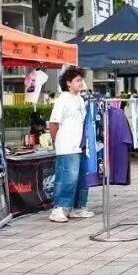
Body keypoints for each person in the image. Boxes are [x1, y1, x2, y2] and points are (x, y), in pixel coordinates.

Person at [47, 67, 94, 223]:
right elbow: (54, 123)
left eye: (81, 80)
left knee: (81, 179)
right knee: (67, 178)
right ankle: (59, 209)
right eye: (78, 80)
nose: (81, 83)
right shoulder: (63, 99)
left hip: (81, 145)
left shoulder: (80, 99)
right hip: (67, 146)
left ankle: (77, 207)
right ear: (68, 83)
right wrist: (57, 142)